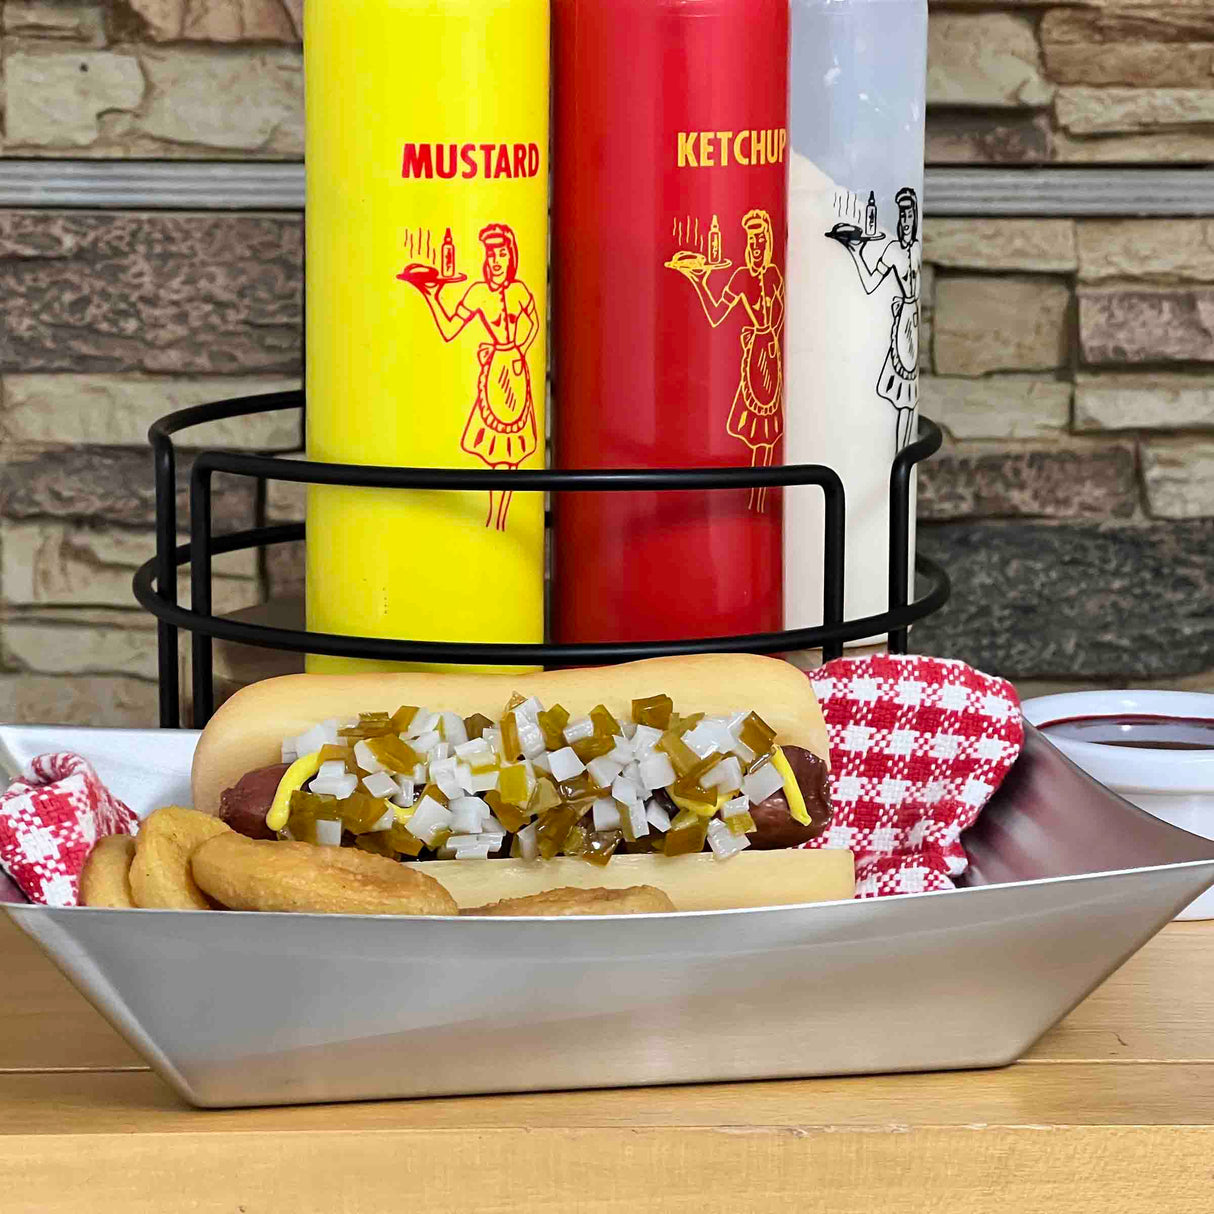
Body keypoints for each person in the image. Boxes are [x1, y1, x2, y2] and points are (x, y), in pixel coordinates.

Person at [405, 223, 539, 530]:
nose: (496, 261)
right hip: (494, 373)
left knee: (512, 454)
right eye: (491, 254)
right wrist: (431, 295)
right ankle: (491, 518)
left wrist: (520, 350)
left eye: (502, 253)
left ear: (511, 257)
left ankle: (501, 517)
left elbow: (531, 322)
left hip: (514, 373)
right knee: (495, 454)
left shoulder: (518, 291)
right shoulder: (479, 294)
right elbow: (450, 328)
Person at [671, 208, 785, 511]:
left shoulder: (773, 274)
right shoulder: (741, 276)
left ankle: (759, 500)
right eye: (752, 240)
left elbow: (778, 314)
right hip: (756, 356)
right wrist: (699, 280)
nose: (756, 246)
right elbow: (716, 313)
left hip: (769, 354)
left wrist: (766, 332)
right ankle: (754, 500)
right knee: (757, 435)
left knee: (768, 435)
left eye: (761, 239)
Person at [838, 186, 921, 451]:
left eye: (910, 215)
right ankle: (897, 454)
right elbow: (871, 282)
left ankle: (901, 458)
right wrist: (856, 253)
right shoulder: (893, 250)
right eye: (902, 215)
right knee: (902, 398)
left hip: (912, 319)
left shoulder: (916, 247)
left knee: (909, 399)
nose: (906, 222)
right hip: (903, 326)